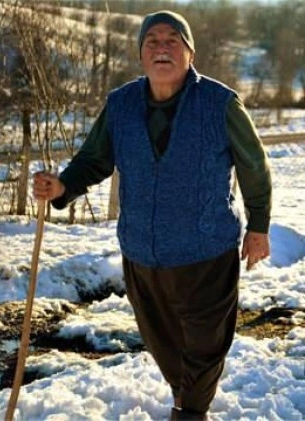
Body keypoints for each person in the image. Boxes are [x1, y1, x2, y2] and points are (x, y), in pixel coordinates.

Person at [33, 10, 272, 420]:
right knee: (165, 345)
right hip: (143, 253)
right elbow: (94, 159)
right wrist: (63, 187)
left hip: (206, 252)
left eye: (172, 40)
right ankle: (187, 396)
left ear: (190, 52)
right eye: (152, 41)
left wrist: (259, 226)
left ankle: (191, 411)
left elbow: (254, 165)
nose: (162, 48)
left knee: (204, 344)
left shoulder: (220, 104)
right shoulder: (121, 105)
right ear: (141, 55)